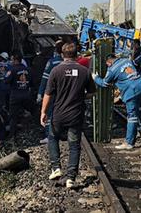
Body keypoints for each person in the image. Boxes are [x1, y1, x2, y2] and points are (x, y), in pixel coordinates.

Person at [41, 42, 95, 188]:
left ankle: (56, 168)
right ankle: (71, 177)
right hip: (76, 115)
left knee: (52, 138)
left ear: (62, 55)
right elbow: (91, 93)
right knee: (74, 145)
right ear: (77, 55)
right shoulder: (84, 71)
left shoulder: (55, 71)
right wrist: (79, 97)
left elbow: (48, 94)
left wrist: (43, 112)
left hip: (58, 114)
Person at [94, 53, 141, 150]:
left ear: (109, 62)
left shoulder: (112, 70)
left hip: (131, 90)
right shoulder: (127, 60)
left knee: (131, 116)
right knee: (140, 108)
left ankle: (129, 142)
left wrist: (95, 78)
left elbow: (104, 83)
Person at [38, 41, 65, 144]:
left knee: (49, 113)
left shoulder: (52, 62)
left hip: (52, 92)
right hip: (64, 93)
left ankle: (49, 136)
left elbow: (45, 79)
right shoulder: (68, 63)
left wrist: (40, 93)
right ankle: (60, 132)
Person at [5, 53, 37, 139]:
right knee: (34, 111)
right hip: (26, 95)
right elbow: (33, 84)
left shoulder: (12, 70)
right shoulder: (29, 70)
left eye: (12, 60)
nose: (11, 61)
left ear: (15, 60)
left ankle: (12, 136)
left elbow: (6, 81)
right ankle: (39, 126)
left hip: (15, 96)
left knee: (13, 117)